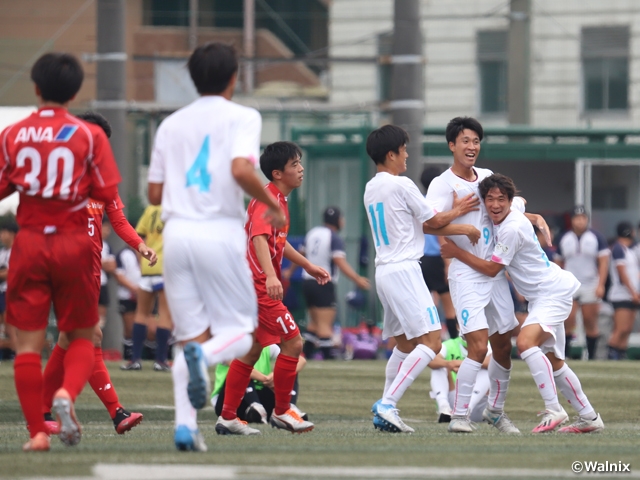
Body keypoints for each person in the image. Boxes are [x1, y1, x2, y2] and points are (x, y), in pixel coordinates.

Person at [147, 42, 287, 452]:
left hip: (176, 234)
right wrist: (267, 202)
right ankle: (206, 362)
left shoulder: (170, 124)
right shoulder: (243, 116)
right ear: (234, 77)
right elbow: (240, 167)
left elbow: (155, 192)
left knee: (189, 336)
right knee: (242, 336)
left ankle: (187, 427)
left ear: (191, 78)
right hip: (219, 232)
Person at [0, 53, 122, 451]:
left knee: (28, 345)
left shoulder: (13, 134)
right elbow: (105, 195)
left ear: (36, 88)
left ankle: (38, 433)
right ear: (74, 92)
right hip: (72, 244)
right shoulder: (91, 136)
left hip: (30, 242)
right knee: (84, 335)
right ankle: (67, 394)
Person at [441, 173, 605, 434]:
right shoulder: (511, 211)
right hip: (544, 294)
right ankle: (589, 416)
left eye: (501, 200)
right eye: (490, 199)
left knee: (527, 342)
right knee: (554, 361)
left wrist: (456, 252)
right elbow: (522, 200)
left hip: (552, 293)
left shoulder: (511, 228)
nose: (495, 205)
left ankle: (553, 408)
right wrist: (535, 216)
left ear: (507, 201)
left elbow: (493, 269)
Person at [426, 116, 550, 435]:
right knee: (478, 348)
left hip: (493, 274)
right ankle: (459, 415)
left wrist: (533, 216)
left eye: (476, 141)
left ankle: (495, 411)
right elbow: (427, 224)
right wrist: (458, 221)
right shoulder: (442, 184)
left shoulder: (487, 176)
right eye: (465, 141)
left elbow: (508, 207)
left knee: (503, 347)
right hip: (466, 274)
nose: (471, 147)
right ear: (451, 145)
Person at [40, 111, 155, 438]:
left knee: (71, 338)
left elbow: (118, 221)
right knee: (89, 338)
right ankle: (116, 412)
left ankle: (44, 408)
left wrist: (140, 246)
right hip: (66, 268)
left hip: (90, 271)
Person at [363, 124, 481, 434]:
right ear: (391, 154)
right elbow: (434, 220)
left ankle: (384, 406)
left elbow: (425, 225)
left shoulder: (371, 187)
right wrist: (460, 212)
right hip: (404, 270)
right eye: (403, 150)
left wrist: (457, 225)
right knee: (431, 342)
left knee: (403, 345)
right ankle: (388, 404)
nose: (406, 156)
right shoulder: (401, 185)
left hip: (385, 272)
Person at [216, 141, 329, 436]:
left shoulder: (277, 199)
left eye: (300, 163)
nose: (301, 169)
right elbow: (258, 237)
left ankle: (227, 416)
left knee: (252, 351)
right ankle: (281, 412)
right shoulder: (268, 199)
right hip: (257, 288)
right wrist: (270, 276)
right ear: (277, 173)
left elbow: (278, 241)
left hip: (252, 286)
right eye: (295, 165)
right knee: (293, 343)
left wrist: (307, 265)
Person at [301, 206, 370, 359]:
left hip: (306, 281)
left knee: (314, 323)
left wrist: (289, 271)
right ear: (337, 220)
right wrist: (357, 279)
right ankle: (327, 357)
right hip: (323, 282)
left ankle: (305, 354)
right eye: (342, 218)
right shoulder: (334, 237)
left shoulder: (312, 233)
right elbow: (339, 261)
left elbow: (301, 253)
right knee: (325, 325)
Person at [120, 204, 172, 372]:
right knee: (164, 314)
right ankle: (161, 360)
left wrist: (142, 258)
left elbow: (138, 234)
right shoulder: (175, 207)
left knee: (141, 313)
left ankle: (135, 359)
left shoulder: (150, 209)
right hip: (166, 267)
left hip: (148, 268)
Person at [556, 206, 609, 359]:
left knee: (590, 321)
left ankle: (591, 356)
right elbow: (559, 263)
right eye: (576, 218)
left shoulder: (596, 237)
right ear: (571, 220)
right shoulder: (563, 238)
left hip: (590, 283)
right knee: (567, 320)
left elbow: (603, 263)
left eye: (583, 218)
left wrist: (601, 284)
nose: (580, 221)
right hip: (570, 284)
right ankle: (564, 356)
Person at [211, 345, 308, 424]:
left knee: (289, 370)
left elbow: (301, 360)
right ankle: (255, 407)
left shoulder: (266, 346)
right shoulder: (230, 346)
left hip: (260, 397)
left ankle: (289, 408)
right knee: (241, 372)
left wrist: (277, 375)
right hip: (228, 402)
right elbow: (234, 363)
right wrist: (266, 379)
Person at [419, 166, 458, 340]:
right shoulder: (438, 204)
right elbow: (441, 234)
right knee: (449, 306)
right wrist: (448, 263)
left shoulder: (419, 202)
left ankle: (427, 341)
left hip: (421, 259)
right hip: (437, 259)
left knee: (428, 304)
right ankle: (455, 343)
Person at [429, 336, 490, 424]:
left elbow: (493, 362)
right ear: (458, 326)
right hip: (454, 398)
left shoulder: (488, 345)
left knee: (490, 369)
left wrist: (462, 364)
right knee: (438, 367)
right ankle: (444, 407)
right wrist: (449, 363)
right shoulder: (449, 345)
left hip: (478, 401)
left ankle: (467, 408)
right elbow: (431, 360)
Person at [606, 222, 639, 360]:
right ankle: (611, 354)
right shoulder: (618, 249)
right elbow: (622, 273)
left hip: (632, 295)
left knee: (627, 330)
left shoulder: (630, 250)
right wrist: (632, 292)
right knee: (620, 329)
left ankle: (621, 354)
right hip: (622, 295)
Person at [114, 243, 141, 360]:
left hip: (144, 295)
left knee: (147, 327)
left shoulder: (147, 252)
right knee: (130, 329)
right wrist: (134, 290)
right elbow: (119, 276)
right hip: (127, 296)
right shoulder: (123, 254)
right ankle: (128, 356)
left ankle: (143, 355)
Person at [0, 221, 17, 354]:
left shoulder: (18, 251)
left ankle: (19, 354)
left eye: (3, 232)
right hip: (2, 292)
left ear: (12, 234)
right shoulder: (2, 252)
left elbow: (11, 273)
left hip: (11, 292)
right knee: (3, 328)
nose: (1, 235)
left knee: (10, 327)